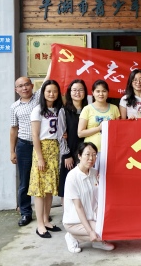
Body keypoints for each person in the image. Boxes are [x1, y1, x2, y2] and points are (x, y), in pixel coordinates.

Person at [29, 79, 70, 238]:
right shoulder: (38, 110)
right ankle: (40, 224)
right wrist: (40, 158)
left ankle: (46, 220)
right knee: (40, 189)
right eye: (48, 91)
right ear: (43, 93)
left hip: (55, 149)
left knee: (49, 188)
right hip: (42, 149)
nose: (52, 94)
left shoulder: (59, 109)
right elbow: (35, 135)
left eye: (54, 91)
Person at [9, 69, 48, 227]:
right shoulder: (14, 107)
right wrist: (12, 151)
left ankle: (44, 214)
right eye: (20, 86)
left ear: (32, 86)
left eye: (26, 84)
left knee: (42, 179)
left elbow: (47, 78)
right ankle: (26, 213)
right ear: (16, 90)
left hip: (41, 146)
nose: (24, 88)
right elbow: (13, 129)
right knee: (25, 181)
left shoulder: (39, 98)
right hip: (24, 146)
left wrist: (54, 61)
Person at [63, 142, 115, 253]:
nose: (91, 158)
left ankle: (97, 241)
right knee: (101, 232)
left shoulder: (95, 173)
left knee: (112, 230)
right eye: (87, 154)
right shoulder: (72, 177)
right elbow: (78, 207)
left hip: (93, 217)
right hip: (75, 221)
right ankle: (73, 236)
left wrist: (102, 183)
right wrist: (90, 231)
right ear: (79, 156)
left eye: (94, 154)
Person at [78, 80, 120, 168]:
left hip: (110, 150)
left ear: (108, 93)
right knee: (92, 176)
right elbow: (80, 133)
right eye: (98, 91)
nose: (101, 94)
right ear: (93, 93)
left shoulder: (114, 108)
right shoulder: (87, 109)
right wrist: (99, 128)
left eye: (104, 91)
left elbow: (119, 131)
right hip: (92, 152)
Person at [58, 79, 88, 201]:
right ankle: (67, 212)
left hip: (86, 153)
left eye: (80, 90)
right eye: (74, 90)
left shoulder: (89, 109)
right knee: (67, 186)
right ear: (69, 93)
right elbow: (61, 135)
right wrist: (67, 155)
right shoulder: (64, 111)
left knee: (84, 185)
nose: (77, 93)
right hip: (70, 153)